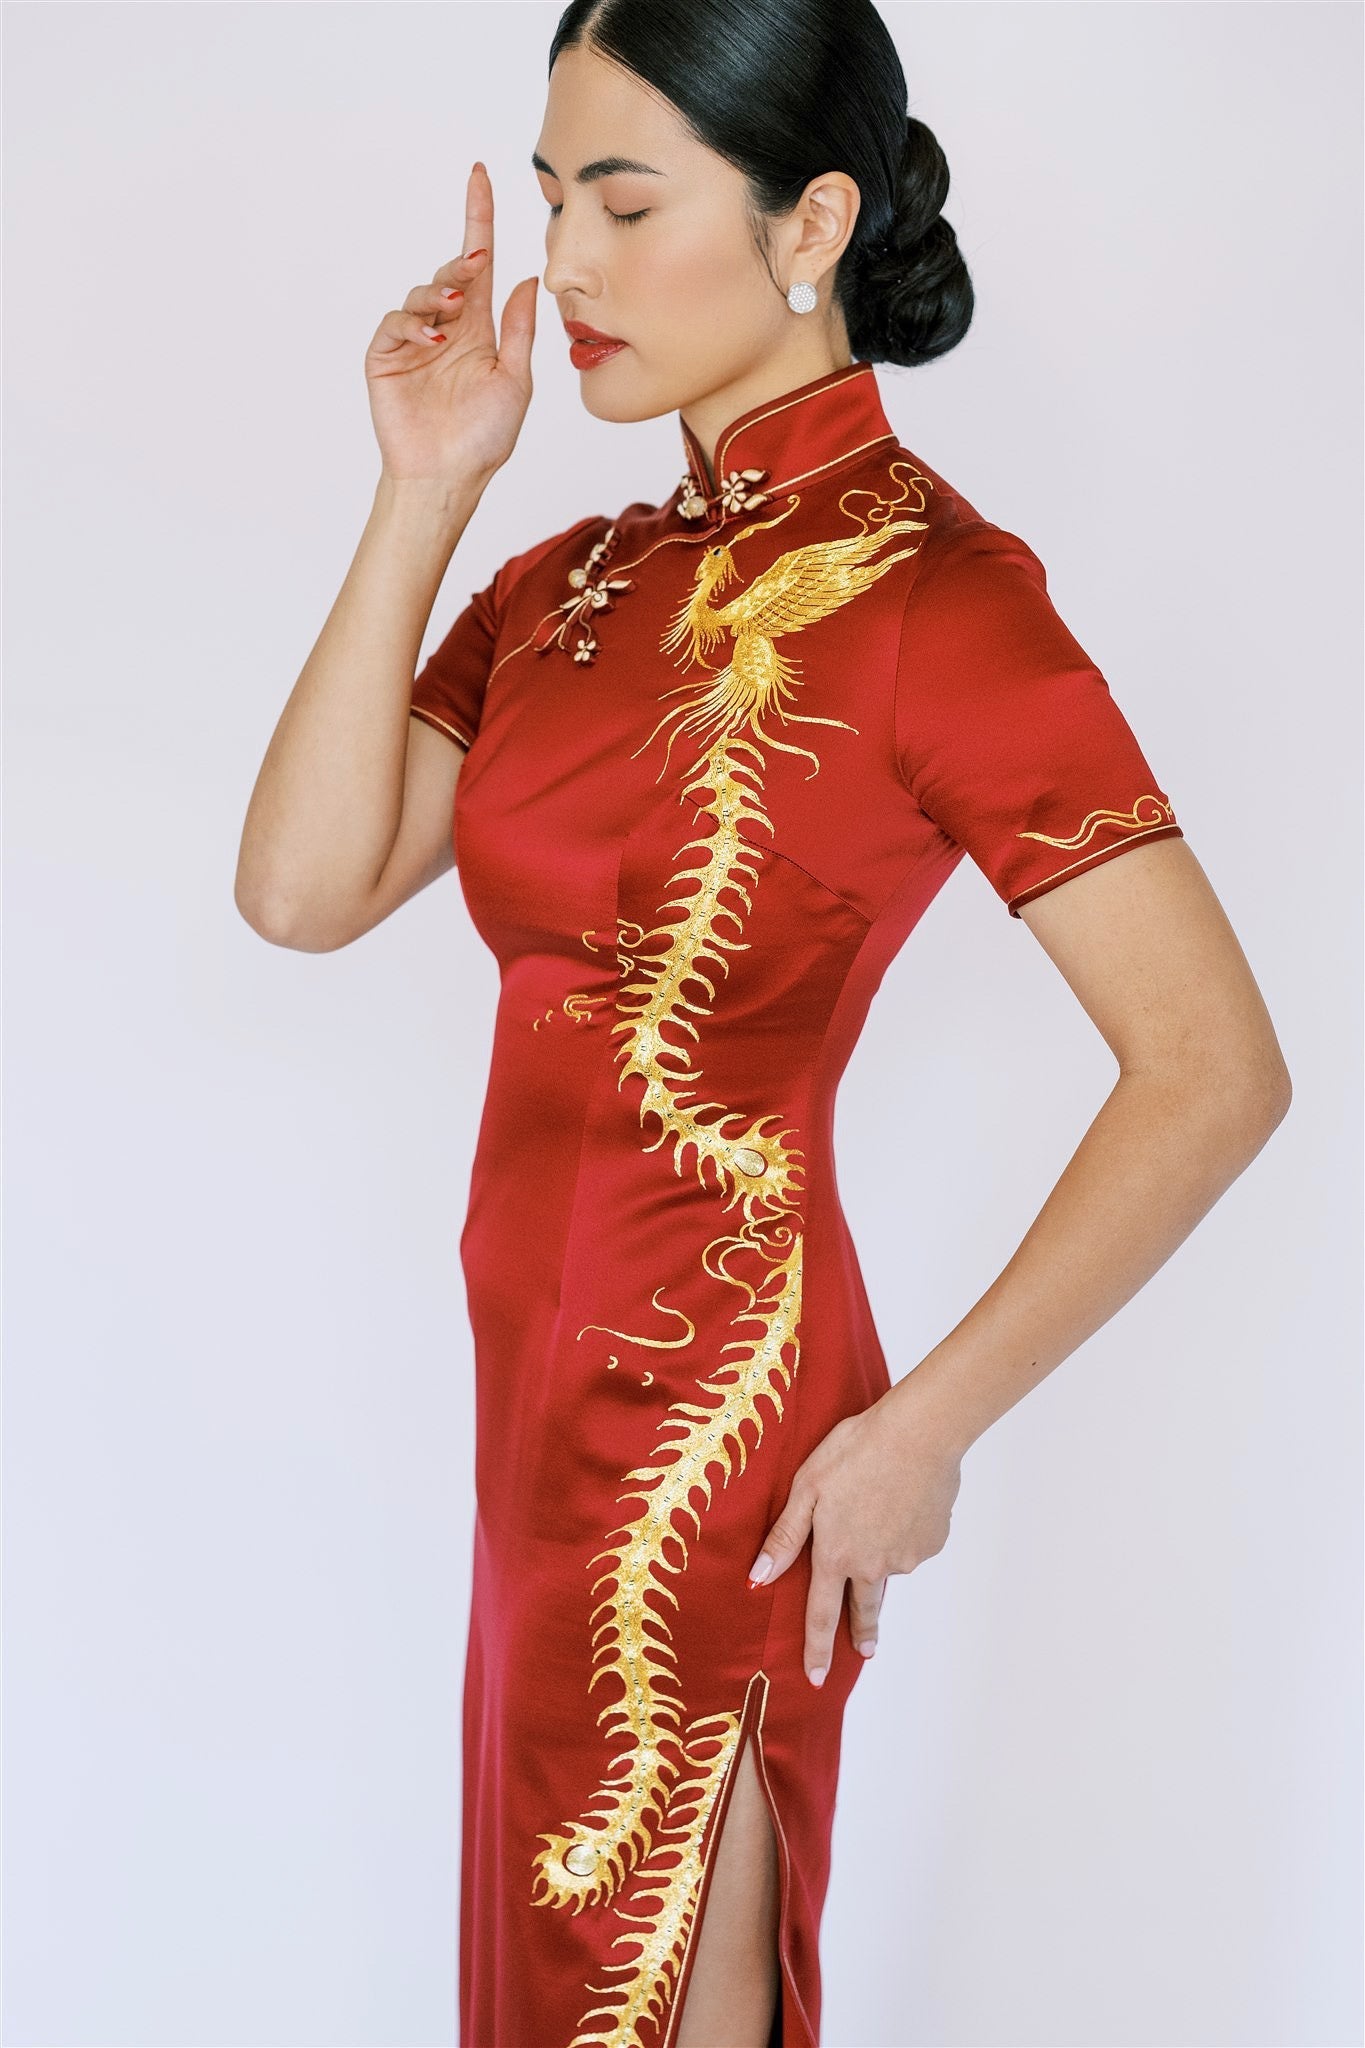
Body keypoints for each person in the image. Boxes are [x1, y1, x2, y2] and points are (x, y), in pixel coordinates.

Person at [235, 2, 1292, 2042]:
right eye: (550, 197)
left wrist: (924, 1431)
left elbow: (1209, 1066)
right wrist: (425, 486)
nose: (567, 265)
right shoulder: (562, 586)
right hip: (524, 1424)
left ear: (811, 220)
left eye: (626, 202)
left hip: (720, 1431)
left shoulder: (933, 602)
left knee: (647, 1995)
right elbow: (302, 889)